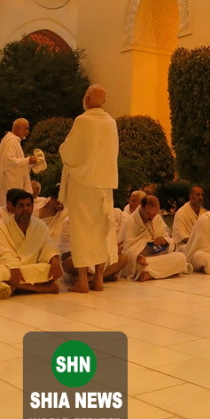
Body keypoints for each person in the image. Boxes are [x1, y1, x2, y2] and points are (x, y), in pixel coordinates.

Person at [59, 84, 119, 293]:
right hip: (104, 184)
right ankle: (99, 278)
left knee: (81, 230)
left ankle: (83, 280)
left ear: (86, 99)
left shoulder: (82, 121)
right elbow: (114, 153)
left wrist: (62, 150)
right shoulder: (111, 123)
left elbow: (69, 151)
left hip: (83, 184)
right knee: (101, 230)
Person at [0, 189, 62, 299]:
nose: (25, 209)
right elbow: (2, 250)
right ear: (13, 208)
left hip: (30, 266)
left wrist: (55, 261)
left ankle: (15, 286)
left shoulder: (39, 225)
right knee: (1, 272)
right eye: (21, 206)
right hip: (9, 266)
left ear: (33, 207)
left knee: (48, 269)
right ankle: (39, 288)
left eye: (29, 205)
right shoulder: (2, 225)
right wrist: (14, 268)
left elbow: (48, 245)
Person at [122, 194, 190, 281]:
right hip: (141, 260)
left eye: (154, 214)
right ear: (141, 207)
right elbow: (126, 249)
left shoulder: (156, 219)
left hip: (158, 256)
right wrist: (137, 256)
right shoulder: (130, 222)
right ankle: (149, 272)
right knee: (141, 266)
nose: (151, 217)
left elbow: (169, 239)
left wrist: (164, 241)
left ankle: (149, 274)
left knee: (180, 257)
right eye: (148, 214)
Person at [59, 215, 128, 285]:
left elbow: (104, 247)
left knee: (124, 258)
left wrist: (113, 250)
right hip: (81, 262)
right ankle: (102, 277)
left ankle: (90, 279)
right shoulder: (69, 221)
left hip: (98, 261)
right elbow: (65, 253)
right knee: (68, 263)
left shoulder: (100, 219)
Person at [0, 119, 37, 208]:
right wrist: (27, 160)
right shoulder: (11, 141)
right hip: (6, 184)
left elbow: (16, 164)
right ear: (17, 128)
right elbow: (9, 161)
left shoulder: (13, 141)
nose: (28, 132)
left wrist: (30, 163)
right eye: (26, 129)